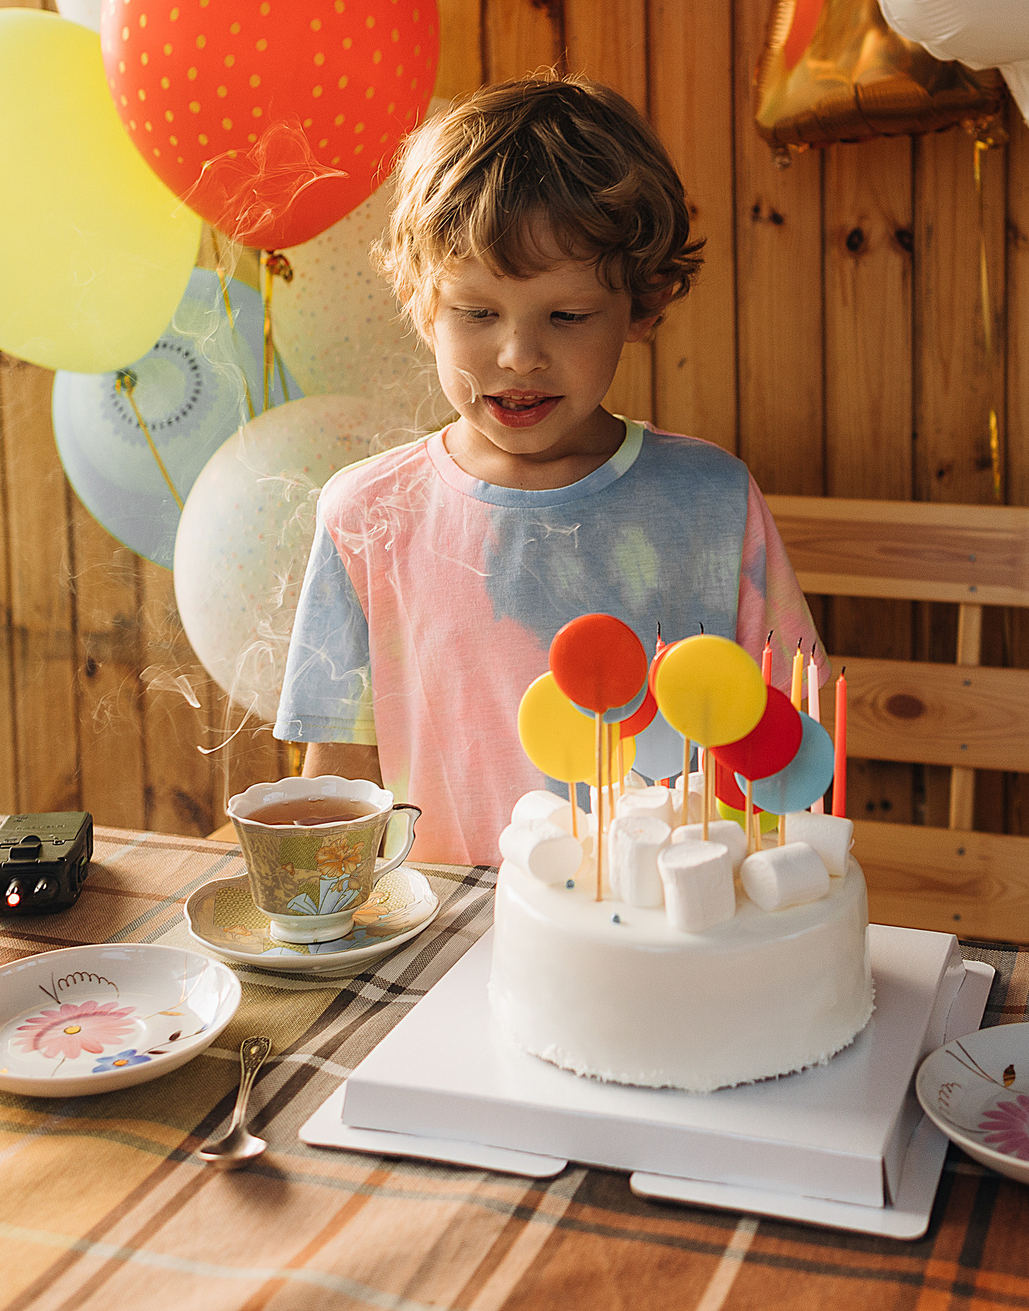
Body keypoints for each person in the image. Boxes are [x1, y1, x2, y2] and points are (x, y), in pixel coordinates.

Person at [273, 74, 823, 864]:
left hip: (670, 942)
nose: (519, 354)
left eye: (566, 316)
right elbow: (339, 782)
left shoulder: (712, 500)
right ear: (420, 300)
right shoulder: (366, 513)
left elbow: (787, 742)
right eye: (477, 312)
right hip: (442, 944)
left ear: (642, 304)